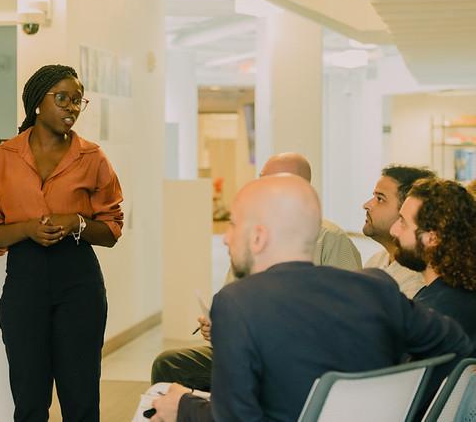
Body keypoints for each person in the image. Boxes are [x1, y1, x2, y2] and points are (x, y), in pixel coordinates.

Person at [150, 174, 472, 422]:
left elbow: (236, 418)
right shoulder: (376, 287)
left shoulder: (237, 302)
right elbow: (457, 345)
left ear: (259, 237)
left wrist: (183, 404)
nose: (225, 237)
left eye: (233, 225)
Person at [0, 64, 124, 422]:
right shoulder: (0, 160)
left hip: (79, 283)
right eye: (63, 98)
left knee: (81, 398)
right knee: (29, 400)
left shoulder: (92, 158)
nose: (71, 107)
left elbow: (112, 229)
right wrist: (26, 229)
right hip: (25, 284)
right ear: (38, 103)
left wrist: (77, 223)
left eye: (77, 101)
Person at [150, 152, 360, 392]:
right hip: (249, 348)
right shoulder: (250, 234)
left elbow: (346, 319)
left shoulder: (330, 239)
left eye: (267, 181)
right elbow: (232, 297)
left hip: (295, 356)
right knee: (169, 364)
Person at [391, 177, 476, 343]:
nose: (393, 230)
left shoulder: (433, 315)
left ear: (432, 238)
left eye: (403, 222)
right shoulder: (464, 295)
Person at [362, 165, 434, 298]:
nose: (366, 205)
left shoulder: (419, 279)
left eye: (380, 199)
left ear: (406, 209)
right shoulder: (375, 261)